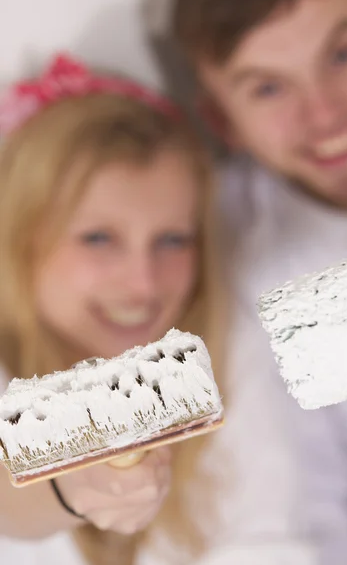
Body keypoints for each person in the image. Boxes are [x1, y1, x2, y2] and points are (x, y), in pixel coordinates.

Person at [171, 0, 347, 563]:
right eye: (269, 89)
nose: (325, 115)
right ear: (223, 122)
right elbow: (310, 493)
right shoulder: (234, 251)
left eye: (342, 54)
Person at [0, 53, 227, 565]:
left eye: (172, 239)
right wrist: (71, 481)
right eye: (99, 238)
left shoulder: (218, 357)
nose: (143, 284)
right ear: (21, 238)